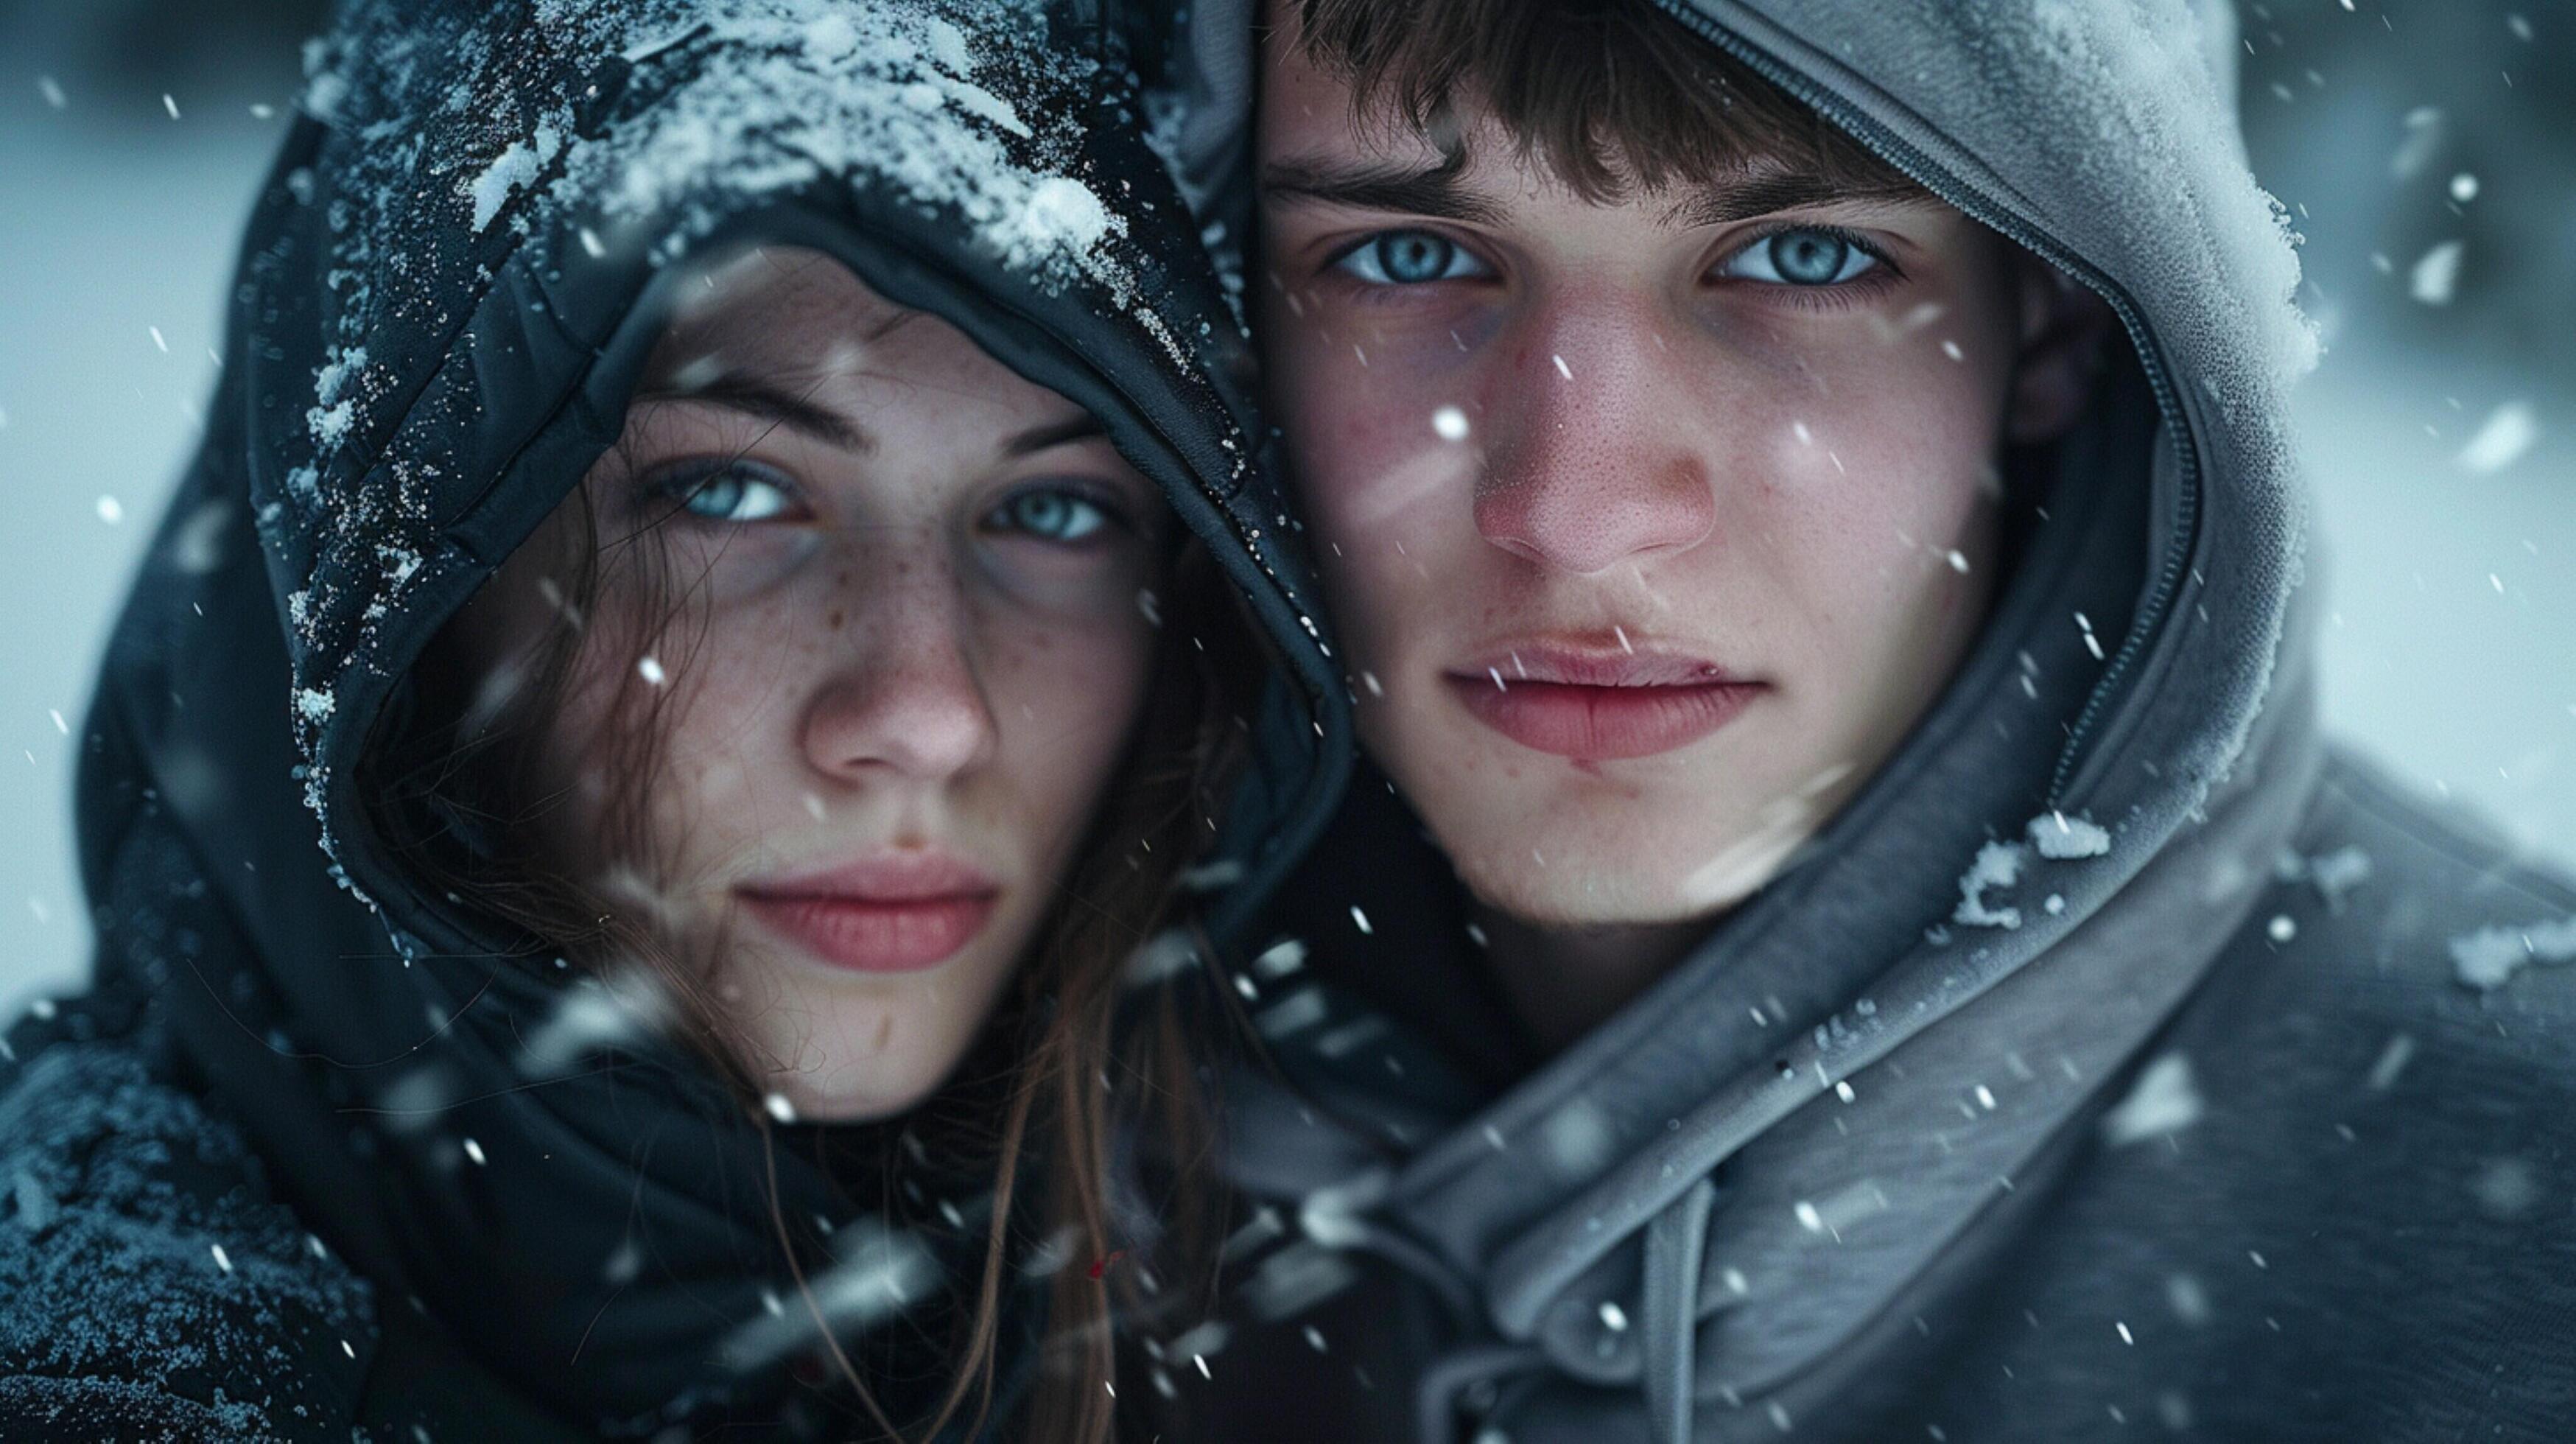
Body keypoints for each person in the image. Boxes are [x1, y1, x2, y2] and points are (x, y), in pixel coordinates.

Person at [1133, 1, 2576, 1440]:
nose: (1579, 514)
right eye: (1408, 257)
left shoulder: (2531, 1232)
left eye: (1801, 257)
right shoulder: (1019, 1140)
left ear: (2056, 316)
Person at [0, 2, 1348, 1440]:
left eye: (1055, 509)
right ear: (407, 591)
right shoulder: (111, 1369)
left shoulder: (1310, 1293)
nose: (926, 713)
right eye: (730, 492)